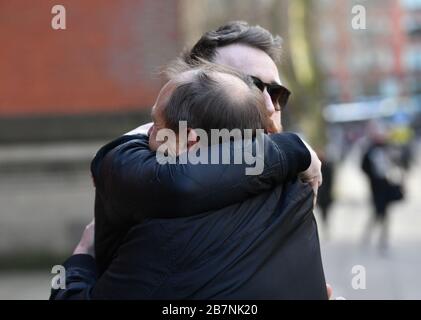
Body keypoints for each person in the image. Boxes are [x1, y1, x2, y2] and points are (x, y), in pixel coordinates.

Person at [51, 21, 328, 299]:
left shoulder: (294, 187)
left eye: (277, 93)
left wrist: (80, 259)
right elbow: (176, 184)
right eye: (250, 85)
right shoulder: (136, 165)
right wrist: (293, 149)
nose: (268, 106)